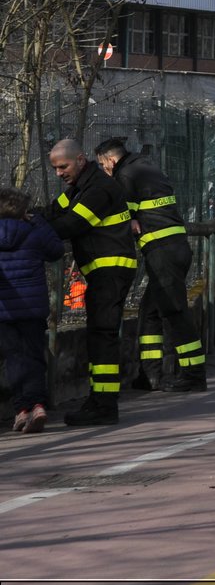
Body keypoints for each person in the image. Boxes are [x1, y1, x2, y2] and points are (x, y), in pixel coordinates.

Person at [94, 137, 207, 392]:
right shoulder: (146, 167)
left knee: (175, 311)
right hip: (174, 247)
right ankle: (149, 374)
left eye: (103, 165)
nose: (104, 171)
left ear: (111, 160)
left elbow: (123, 216)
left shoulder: (125, 175)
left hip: (161, 249)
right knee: (150, 312)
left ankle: (194, 374)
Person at [45, 138, 138, 426]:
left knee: (103, 337)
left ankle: (105, 404)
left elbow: (71, 225)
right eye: (55, 168)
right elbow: (53, 212)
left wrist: (31, 234)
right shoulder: (80, 187)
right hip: (103, 271)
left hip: (110, 270)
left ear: (81, 160)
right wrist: (20, 215)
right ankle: (99, 400)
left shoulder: (97, 189)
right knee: (99, 336)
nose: (59, 172)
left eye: (64, 166)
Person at [0, 186, 63, 434]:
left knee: (13, 358)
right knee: (35, 355)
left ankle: (21, 410)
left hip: (3, 310)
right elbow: (56, 251)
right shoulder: (33, 232)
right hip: (33, 306)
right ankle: (37, 405)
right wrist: (38, 222)